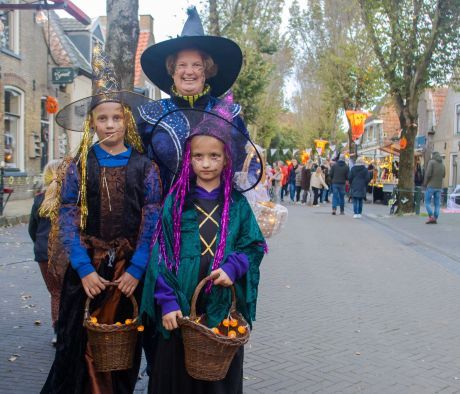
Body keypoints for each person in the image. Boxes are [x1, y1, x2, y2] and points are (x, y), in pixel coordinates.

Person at [41, 45, 162, 393]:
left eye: (117, 117)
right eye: (102, 118)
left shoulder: (145, 168)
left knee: (121, 350)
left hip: (127, 275)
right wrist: (83, 268)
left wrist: (138, 269)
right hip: (88, 274)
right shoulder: (77, 168)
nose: (110, 124)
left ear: (127, 120)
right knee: (79, 348)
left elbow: (151, 221)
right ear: (91, 123)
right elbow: (67, 219)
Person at [140, 96, 266, 393]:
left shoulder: (236, 206)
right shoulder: (175, 203)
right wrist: (168, 303)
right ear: (188, 159)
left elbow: (254, 245)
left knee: (218, 381)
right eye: (198, 156)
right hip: (180, 310)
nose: (206, 163)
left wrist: (234, 268)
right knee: (176, 378)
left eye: (214, 156)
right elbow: (161, 256)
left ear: (226, 159)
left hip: (221, 309)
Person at [138, 6, 248, 194]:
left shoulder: (229, 115)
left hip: (217, 215)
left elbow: (246, 164)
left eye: (197, 65)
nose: (189, 71)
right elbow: (134, 169)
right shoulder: (149, 116)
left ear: (207, 71)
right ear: (172, 71)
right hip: (163, 217)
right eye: (182, 65)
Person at [28, 159, 62, 345]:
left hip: (43, 253)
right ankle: (71, 329)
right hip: (66, 252)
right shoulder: (72, 198)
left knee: (55, 292)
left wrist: (40, 245)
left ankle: (57, 331)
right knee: (70, 292)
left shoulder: (40, 199)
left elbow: (32, 229)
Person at [424, 151, 446, 224]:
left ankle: (431, 216)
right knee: (437, 204)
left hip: (431, 186)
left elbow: (428, 174)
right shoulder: (442, 164)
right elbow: (444, 175)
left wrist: (425, 183)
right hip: (439, 187)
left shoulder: (431, 162)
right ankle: (435, 218)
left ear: (433, 155)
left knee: (427, 202)